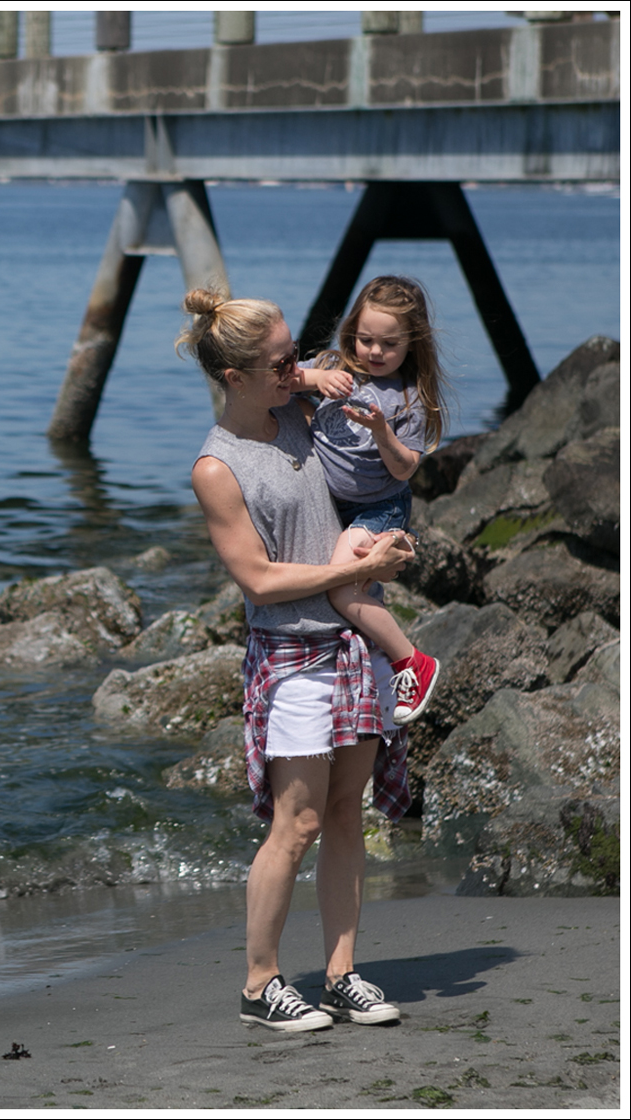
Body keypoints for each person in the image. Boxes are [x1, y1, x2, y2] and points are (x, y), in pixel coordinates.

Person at [179, 288, 412, 1033]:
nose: (299, 367)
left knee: (349, 813)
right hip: (292, 656)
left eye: (295, 356)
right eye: (282, 362)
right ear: (235, 377)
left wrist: (387, 550)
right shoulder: (218, 468)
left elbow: (374, 464)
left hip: (353, 646)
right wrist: (350, 576)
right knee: (298, 822)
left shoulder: (305, 412)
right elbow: (259, 579)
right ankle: (259, 984)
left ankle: (341, 975)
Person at [292, 276, 448, 724]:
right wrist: (316, 377)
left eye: (389, 344)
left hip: (379, 507)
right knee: (346, 590)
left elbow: (404, 469)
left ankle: (410, 661)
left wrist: (382, 431)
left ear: (411, 345)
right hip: (332, 506)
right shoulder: (332, 367)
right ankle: (371, 670)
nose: (375, 353)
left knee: (342, 587)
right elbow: (283, 380)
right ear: (352, 334)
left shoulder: (409, 399)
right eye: (366, 340)